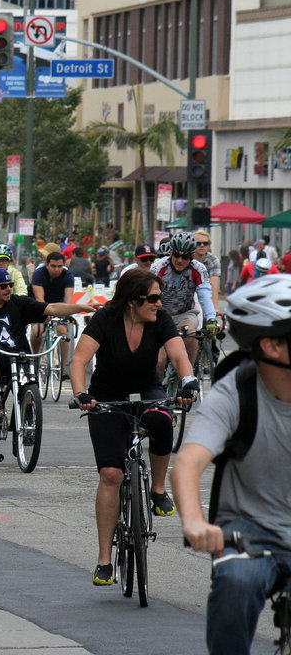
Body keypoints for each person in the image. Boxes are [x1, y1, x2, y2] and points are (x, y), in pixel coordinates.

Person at [171, 274, 291, 655]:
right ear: (272, 345)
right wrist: (194, 522)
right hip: (250, 532)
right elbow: (188, 462)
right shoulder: (236, 390)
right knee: (236, 582)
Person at [68, 269, 198, 586]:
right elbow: (79, 360)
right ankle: (104, 560)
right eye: (152, 298)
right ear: (132, 300)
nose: (158, 304)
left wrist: (188, 383)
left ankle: (157, 490)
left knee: (162, 420)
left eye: (160, 298)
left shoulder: (161, 320)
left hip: (147, 390)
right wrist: (81, 394)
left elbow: (180, 356)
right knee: (111, 474)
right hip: (106, 397)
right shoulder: (106, 319)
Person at [0, 268, 97, 418]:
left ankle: (28, 414)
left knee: (30, 378)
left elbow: (52, 308)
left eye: (10, 284)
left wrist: (83, 308)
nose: (8, 289)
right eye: (3, 286)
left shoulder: (19, 303)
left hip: (18, 353)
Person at [150, 230, 217, 371]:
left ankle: (188, 376)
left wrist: (211, 319)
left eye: (185, 257)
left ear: (192, 256)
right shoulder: (158, 267)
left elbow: (204, 295)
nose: (180, 260)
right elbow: (147, 292)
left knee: (191, 334)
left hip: (184, 314)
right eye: (177, 255)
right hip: (160, 315)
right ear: (170, 253)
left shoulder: (199, 269)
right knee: (158, 362)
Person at [29, 250, 75, 359]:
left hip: (59, 308)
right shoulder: (39, 273)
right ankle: (35, 358)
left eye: (60, 266)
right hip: (41, 307)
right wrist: (45, 312)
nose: (56, 269)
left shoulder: (68, 276)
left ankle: (62, 368)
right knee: (37, 331)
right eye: (53, 266)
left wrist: (67, 313)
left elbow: (68, 298)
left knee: (62, 332)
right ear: (47, 265)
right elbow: (39, 297)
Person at [192, 230, 222, 315]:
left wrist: (215, 307)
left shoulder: (213, 260)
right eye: (198, 243)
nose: (202, 246)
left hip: (205, 293)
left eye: (205, 243)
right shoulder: (187, 258)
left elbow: (214, 285)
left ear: (209, 246)